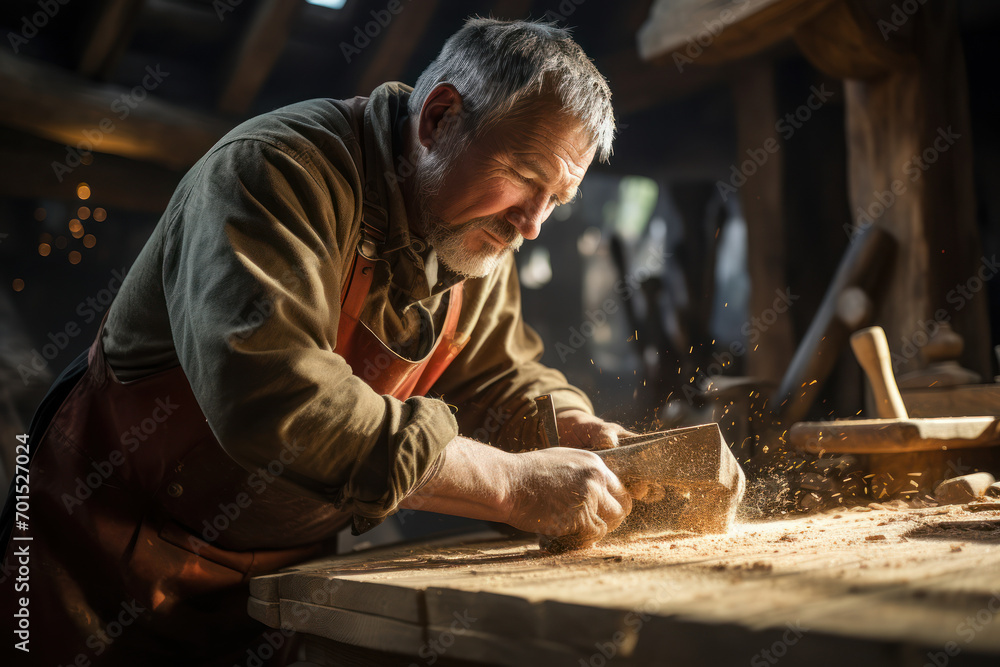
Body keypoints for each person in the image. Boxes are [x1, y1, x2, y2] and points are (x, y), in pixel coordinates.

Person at [0, 17, 633, 666]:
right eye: (527, 176)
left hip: (275, 581)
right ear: (439, 117)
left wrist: (567, 423)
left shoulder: (480, 241)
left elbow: (502, 375)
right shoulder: (275, 171)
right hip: (101, 555)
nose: (531, 225)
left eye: (556, 197)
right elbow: (278, 401)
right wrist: (512, 484)